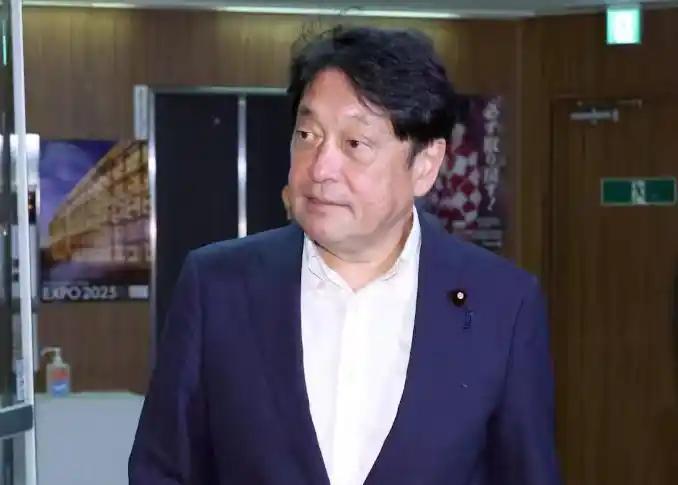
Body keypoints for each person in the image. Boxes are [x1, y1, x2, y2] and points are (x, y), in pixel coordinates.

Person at [129, 26, 561, 485]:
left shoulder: (502, 305)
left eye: (355, 144)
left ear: (425, 165)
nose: (321, 168)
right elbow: (163, 470)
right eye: (307, 135)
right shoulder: (217, 287)